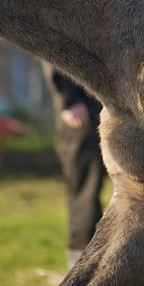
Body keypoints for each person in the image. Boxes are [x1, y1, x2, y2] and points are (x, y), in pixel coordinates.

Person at [44, 66, 105, 267]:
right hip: (82, 110)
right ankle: (82, 266)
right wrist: (69, 100)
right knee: (85, 190)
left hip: (115, 103)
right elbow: (52, 44)